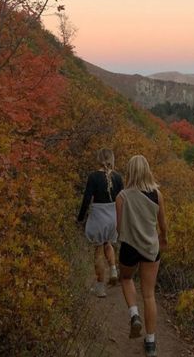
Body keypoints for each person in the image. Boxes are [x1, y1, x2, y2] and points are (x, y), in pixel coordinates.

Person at [116, 155, 167, 357]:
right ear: (147, 170)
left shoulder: (122, 196)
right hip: (150, 247)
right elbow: (163, 224)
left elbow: (119, 227)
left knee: (126, 278)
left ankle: (134, 314)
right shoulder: (157, 194)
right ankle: (151, 343)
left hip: (129, 246)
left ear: (129, 171)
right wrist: (164, 238)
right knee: (149, 295)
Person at [77, 148, 124, 298]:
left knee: (98, 249)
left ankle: (100, 288)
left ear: (99, 159)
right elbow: (122, 199)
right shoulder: (118, 177)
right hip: (113, 217)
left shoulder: (93, 177)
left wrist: (80, 218)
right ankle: (114, 269)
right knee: (108, 243)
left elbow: (86, 199)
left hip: (99, 216)